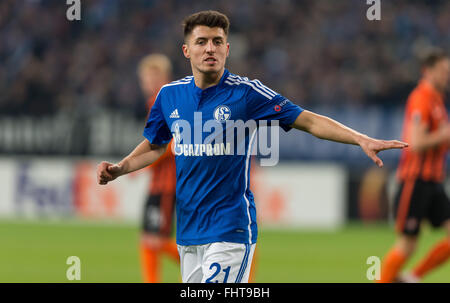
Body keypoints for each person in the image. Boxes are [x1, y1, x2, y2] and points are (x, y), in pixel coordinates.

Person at [97, 10, 407, 283]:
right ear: (186, 50)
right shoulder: (169, 96)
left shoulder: (247, 94)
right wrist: (122, 167)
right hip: (188, 231)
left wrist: (360, 138)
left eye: (217, 41)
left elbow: (308, 121)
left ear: (227, 49)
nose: (210, 48)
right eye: (202, 41)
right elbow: (155, 145)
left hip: (230, 228)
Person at [378, 50, 450, 283]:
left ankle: (412, 278)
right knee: (408, 244)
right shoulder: (422, 97)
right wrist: (444, 134)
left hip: (434, 180)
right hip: (415, 180)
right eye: (443, 71)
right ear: (427, 71)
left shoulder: (438, 100)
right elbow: (415, 143)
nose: (447, 76)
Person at [137, 54, 179, 283]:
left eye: (152, 76)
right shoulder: (155, 102)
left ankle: (206, 266)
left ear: (164, 77)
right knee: (147, 240)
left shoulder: (164, 102)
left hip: (167, 184)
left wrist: (141, 164)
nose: (147, 81)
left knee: (154, 240)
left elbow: (173, 143)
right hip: (159, 184)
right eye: (145, 77)